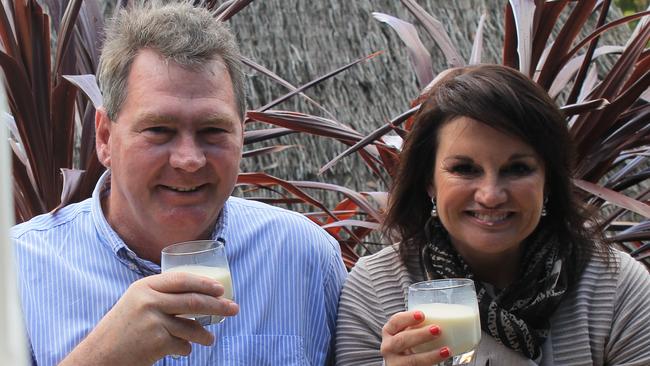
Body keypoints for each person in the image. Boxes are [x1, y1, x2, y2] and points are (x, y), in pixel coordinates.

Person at [11, 2, 347, 365]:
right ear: (106, 137)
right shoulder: (17, 270)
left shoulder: (303, 257)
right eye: (159, 130)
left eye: (213, 130)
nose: (189, 160)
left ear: (242, 133)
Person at [335, 64, 650, 365]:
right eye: (464, 169)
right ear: (429, 181)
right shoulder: (377, 290)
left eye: (517, 169)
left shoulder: (614, 289)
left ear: (549, 180)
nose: (490, 195)